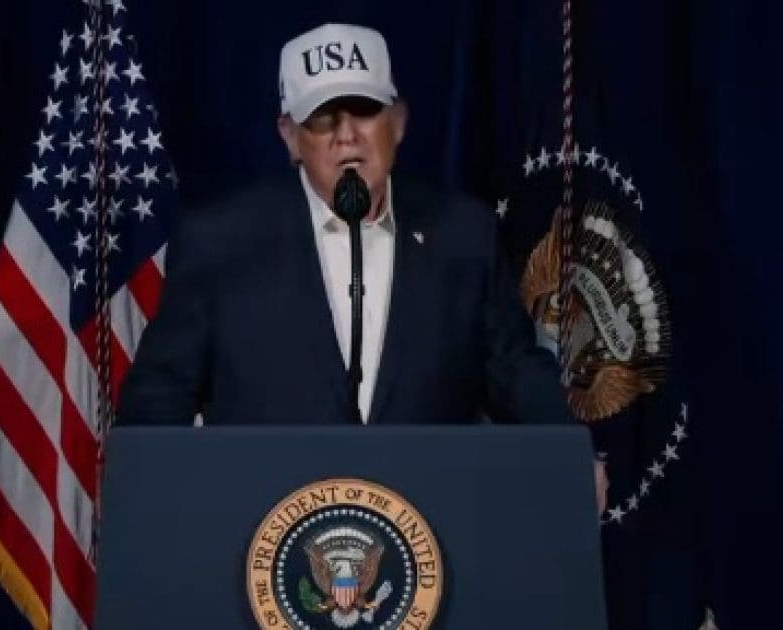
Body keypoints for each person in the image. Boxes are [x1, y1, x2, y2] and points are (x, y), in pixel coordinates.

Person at [116, 23, 604, 503]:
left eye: (365, 111)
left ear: (399, 121)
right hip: (261, 536)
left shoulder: (461, 234)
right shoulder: (221, 241)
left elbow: (515, 370)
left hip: (428, 528)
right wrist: (143, 494)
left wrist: (568, 453)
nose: (346, 137)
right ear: (289, 137)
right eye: (322, 119)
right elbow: (161, 391)